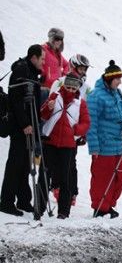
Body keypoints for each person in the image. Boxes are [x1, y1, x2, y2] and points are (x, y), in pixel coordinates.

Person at [0, 45, 47, 217]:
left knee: (26, 164)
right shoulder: (21, 70)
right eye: (42, 58)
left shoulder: (31, 72)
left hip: (29, 125)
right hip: (20, 126)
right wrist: (25, 124)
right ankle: (6, 202)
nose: (43, 62)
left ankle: (23, 200)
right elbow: (16, 101)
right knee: (15, 163)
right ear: (33, 57)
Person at [39, 74, 90, 219]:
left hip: (68, 145)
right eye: (68, 87)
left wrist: (76, 130)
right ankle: (40, 207)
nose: (70, 90)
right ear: (64, 86)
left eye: (74, 88)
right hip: (50, 141)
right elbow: (43, 115)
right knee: (44, 176)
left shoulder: (80, 103)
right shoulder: (54, 96)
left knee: (65, 179)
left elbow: (86, 123)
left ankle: (63, 212)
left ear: (77, 88)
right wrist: (48, 108)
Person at [86, 60, 122, 218]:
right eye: (117, 79)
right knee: (103, 178)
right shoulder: (96, 96)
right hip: (103, 145)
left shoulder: (118, 94)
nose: (120, 82)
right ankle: (100, 208)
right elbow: (91, 123)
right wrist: (94, 147)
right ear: (109, 79)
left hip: (118, 144)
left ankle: (109, 204)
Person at [49, 53, 91, 207]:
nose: (83, 72)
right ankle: (56, 186)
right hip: (57, 128)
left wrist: (83, 132)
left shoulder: (86, 88)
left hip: (73, 131)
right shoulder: (59, 82)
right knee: (56, 161)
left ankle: (72, 191)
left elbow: (87, 110)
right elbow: (51, 101)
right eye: (81, 68)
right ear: (73, 67)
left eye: (85, 69)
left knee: (71, 162)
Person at [40, 28, 70, 102]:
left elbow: (67, 65)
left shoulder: (58, 54)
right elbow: (33, 60)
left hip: (55, 89)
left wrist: (63, 77)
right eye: (57, 39)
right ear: (51, 38)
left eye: (61, 39)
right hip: (44, 89)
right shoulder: (43, 49)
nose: (59, 41)